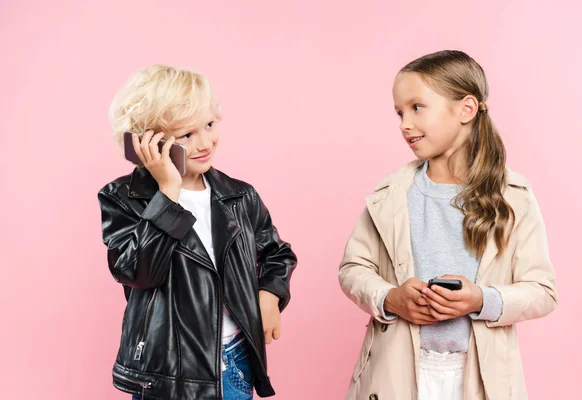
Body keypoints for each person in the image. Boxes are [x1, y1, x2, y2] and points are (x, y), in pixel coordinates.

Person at [338, 50, 558, 399]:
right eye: (399, 112)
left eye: (416, 107)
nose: (404, 124)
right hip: (397, 373)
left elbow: (543, 291)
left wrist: (481, 299)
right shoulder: (390, 195)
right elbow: (353, 269)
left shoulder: (514, 197)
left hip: (480, 377)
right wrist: (390, 298)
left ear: (466, 109)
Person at [98, 64, 297, 400]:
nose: (205, 142)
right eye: (187, 135)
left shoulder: (238, 195)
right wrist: (167, 192)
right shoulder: (123, 198)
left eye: (208, 124)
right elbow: (139, 272)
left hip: (232, 362)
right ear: (147, 143)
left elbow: (277, 253)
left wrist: (269, 296)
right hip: (167, 374)